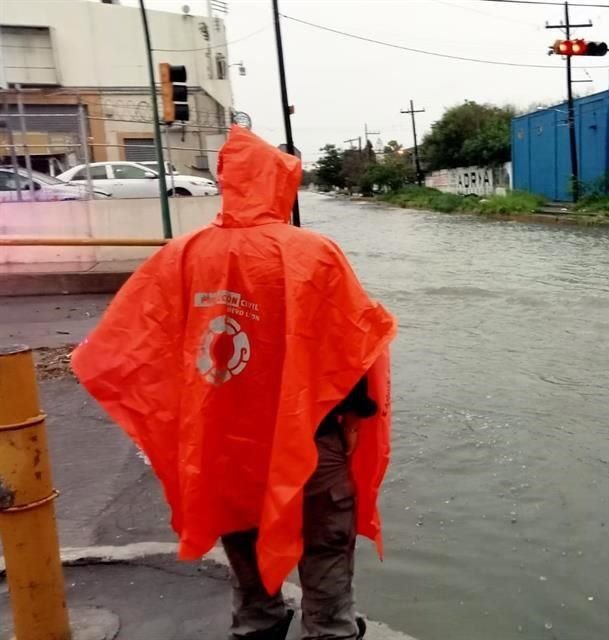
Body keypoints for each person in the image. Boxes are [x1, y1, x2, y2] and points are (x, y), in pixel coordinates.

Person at [72, 126, 397, 639]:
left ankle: (258, 621)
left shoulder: (182, 255)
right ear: (279, 186)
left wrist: (178, 416)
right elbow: (351, 343)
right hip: (310, 436)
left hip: (223, 438)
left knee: (241, 532)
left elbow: (132, 345)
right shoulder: (313, 253)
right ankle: (329, 628)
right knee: (324, 540)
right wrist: (357, 416)